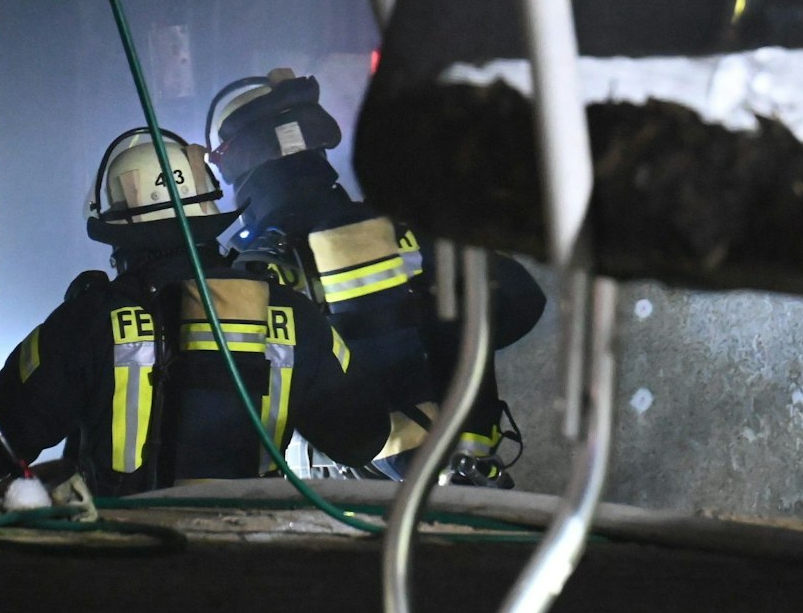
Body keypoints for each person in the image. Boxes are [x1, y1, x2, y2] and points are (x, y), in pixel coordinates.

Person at [0, 127, 390, 495]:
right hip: (249, 552)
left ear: (119, 234)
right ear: (210, 215)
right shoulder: (291, 315)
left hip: (125, 555)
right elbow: (363, 439)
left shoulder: (90, 320)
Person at [204, 69, 546, 487]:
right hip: (464, 475)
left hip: (336, 500)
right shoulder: (402, 230)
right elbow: (521, 298)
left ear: (238, 162)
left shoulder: (250, 270)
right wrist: (431, 325)